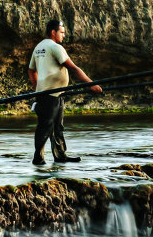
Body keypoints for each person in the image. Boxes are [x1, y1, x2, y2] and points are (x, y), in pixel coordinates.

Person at [27, 19, 102, 165]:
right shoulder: (55, 47)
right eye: (61, 32)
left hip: (53, 94)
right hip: (51, 95)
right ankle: (38, 158)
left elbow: (31, 70)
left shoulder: (39, 47)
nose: (63, 36)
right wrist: (91, 84)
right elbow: (73, 68)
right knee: (46, 126)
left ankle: (60, 156)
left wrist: (37, 88)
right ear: (53, 32)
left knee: (56, 126)